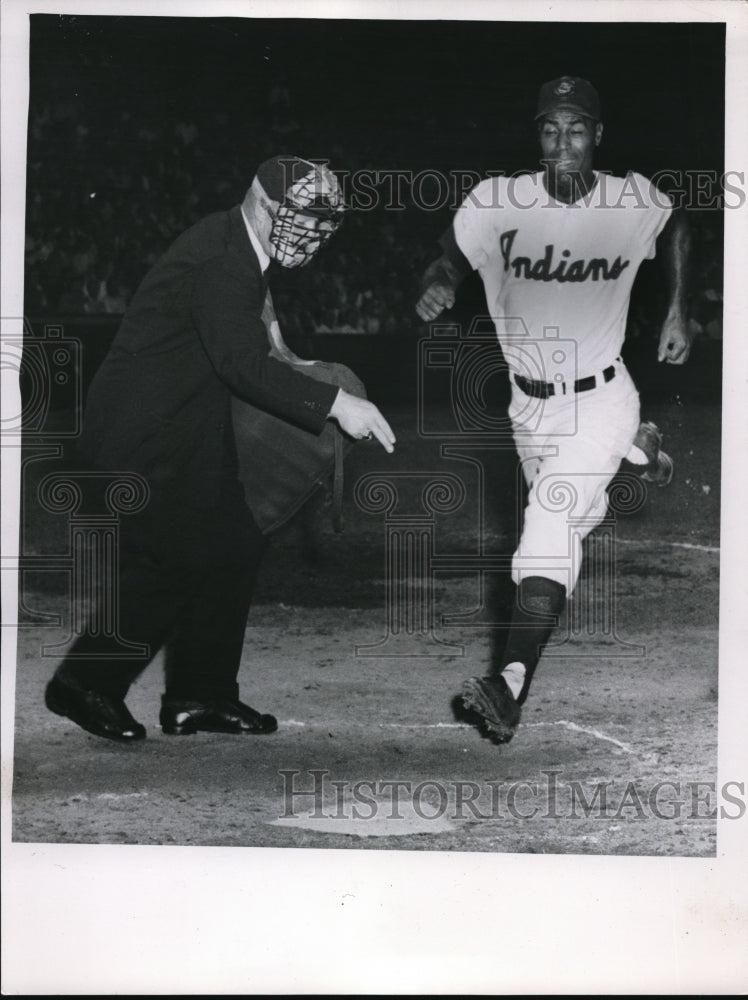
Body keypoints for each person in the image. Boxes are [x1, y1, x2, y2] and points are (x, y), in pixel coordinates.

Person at [45, 155, 395, 743]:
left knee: (235, 540)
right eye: (305, 216)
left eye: (323, 221)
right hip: (143, 434)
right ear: (264, 204)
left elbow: (243, 355)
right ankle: (83, 684)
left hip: (189, 427)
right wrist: (337, 403)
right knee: (176, 558)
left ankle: (199, 696)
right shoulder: (224, 258)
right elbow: (241, 364)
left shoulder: (238, 245)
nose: (314, 231)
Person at [415, 76, 691, 743]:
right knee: (573, 522)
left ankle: (508, 686)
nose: (562, 141)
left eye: (576, 127)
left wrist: (682, 303)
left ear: (598, 135)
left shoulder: (629, 198)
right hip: (528, 411)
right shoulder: (497, 201)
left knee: (550, 523)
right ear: (537, 136)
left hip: (600, 396)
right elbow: (448, 260)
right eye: (550, 128)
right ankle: (638, 449)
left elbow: (678, 220)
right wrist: (437, 284)